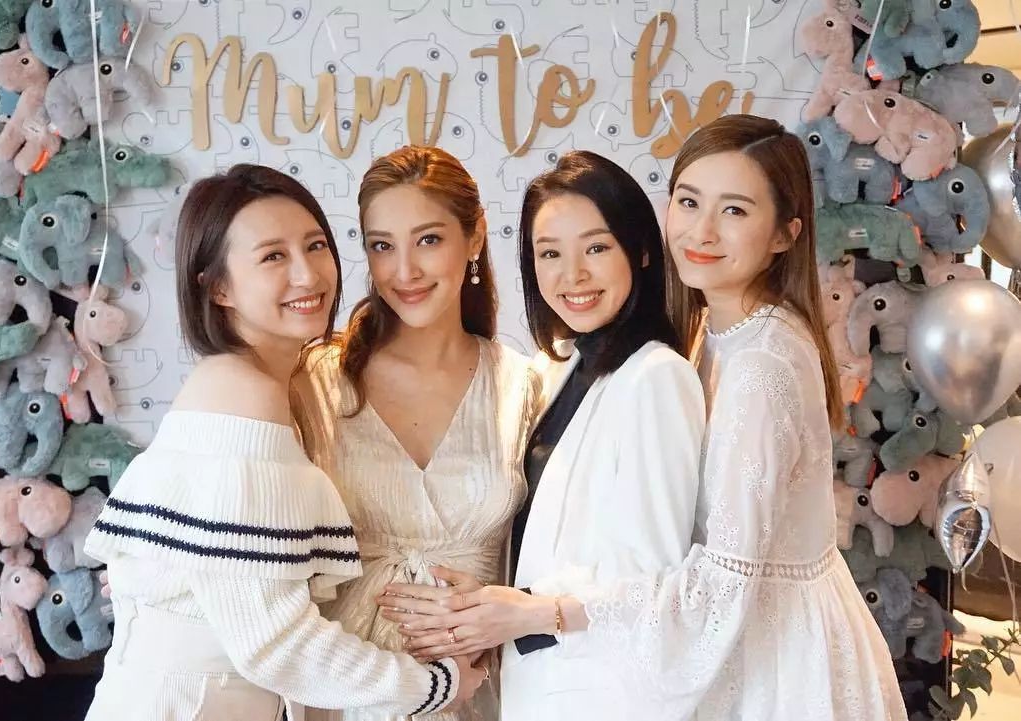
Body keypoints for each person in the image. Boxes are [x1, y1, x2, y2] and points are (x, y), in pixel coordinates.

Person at [387, 117, 910, 720]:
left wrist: (535, 612)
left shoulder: (758, 367)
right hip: (716, 650)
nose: (701, 231)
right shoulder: (705, 333)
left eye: (734, 210)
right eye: (688, 202)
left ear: (784, 234)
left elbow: (719, 583)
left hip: (773, 666)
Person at [83, 164, 483, 721]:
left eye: (315, 246)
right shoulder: (241, 394)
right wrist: (434, 686)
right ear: (218, 286)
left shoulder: (272, 383)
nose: (308, 274)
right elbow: (274, 643)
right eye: (273, 256)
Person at [378, 150, 706, 720]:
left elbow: (657, 587)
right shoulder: (559, 369)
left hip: (609, 695)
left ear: (642, 251)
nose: (571, 275)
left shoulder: (658, 377)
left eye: (596, 248)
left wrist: (528, 612)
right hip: (541, 688)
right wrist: (486, 599)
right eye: (550, 253)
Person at [296, 146, 539, 721]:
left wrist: (503, 608)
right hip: (348, 690)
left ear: (475, 237)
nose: (403, 272)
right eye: (382, 246)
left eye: (428, 240)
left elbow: (551, 560)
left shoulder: (523, 385)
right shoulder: (317, 379)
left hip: (479, 690)